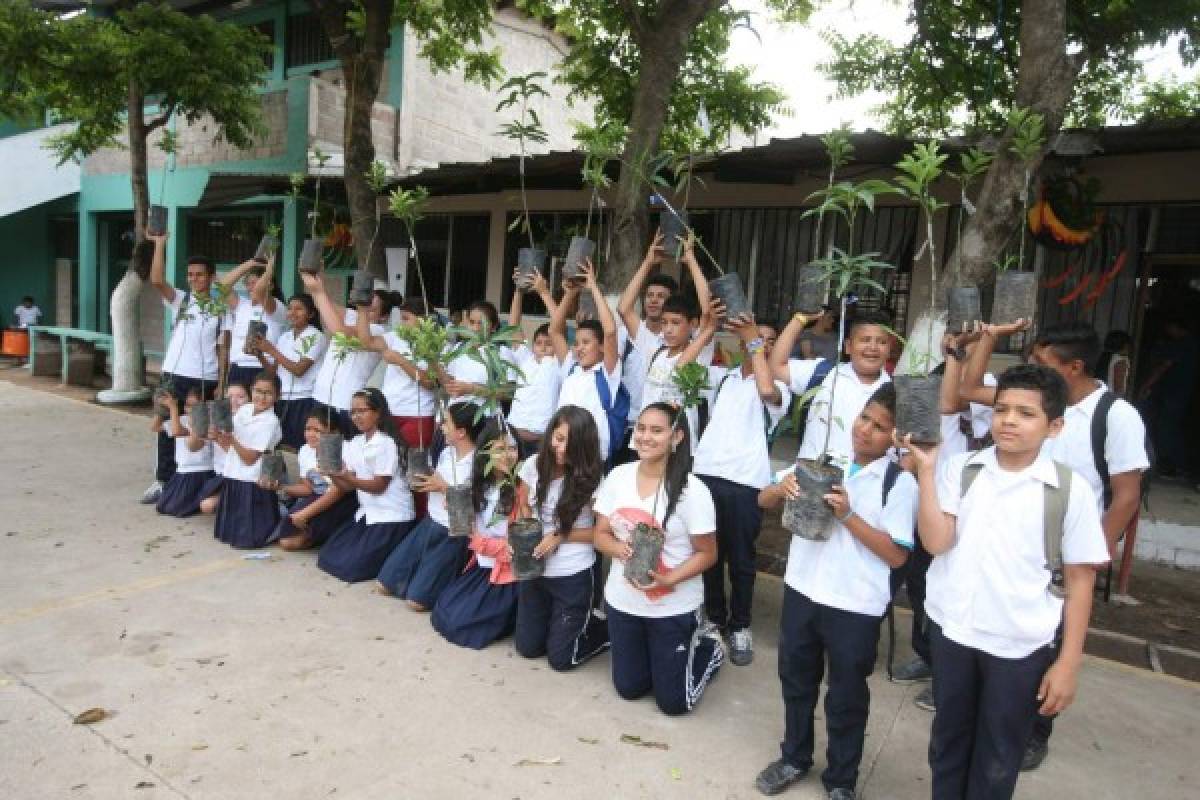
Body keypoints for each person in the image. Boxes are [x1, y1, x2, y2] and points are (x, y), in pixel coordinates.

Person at [909, 364, 1109, 800]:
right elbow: (937, 542)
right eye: (1001, 410)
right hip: (954, 632)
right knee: (948, 743)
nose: (1009, 421)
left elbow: (1079, 581)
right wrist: (926, 472)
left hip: (1018, 646)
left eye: (1026, 413)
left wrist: (1068, 663)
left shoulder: (1069, 491)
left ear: (1054, 426)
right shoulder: (963, 469)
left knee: (998, 757)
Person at [753, 383, 915, 800]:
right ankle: (794, 756)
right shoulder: (824, 461)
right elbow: (764, 498)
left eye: (881, 427)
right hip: (803, 589)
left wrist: (848, 515)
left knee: (846, 695)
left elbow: (897, 555)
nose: (866, 430)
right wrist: (782, 487)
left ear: (895, 437)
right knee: (796, 680)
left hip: (854, 604)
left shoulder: (899, 483)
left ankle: (841, 779)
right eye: (865, 418)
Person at [592, 402, 724, 716]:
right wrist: (617, 550)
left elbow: (709, 553)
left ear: (676, 436)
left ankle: (709, 647)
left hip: (672, 606)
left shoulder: (693, 492)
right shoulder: (618, 477)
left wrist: (670, 578)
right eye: (641, 428)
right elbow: (600, 534)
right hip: (623, 602)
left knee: (673, 704)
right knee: (629, 689)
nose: (645, 437)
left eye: (656, 430)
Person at [694, 313, 791, 666]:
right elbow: (679, 374)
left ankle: (740, 625)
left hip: (745, 482)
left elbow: (767, 390)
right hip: (706, 475)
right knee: (708, 555)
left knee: (742, 560)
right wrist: (708, 326)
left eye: (767, 339)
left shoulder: (782, 388)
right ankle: (715, 619)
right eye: (754, 337)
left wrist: (753, 337)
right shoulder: (725, 379)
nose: (759, 343)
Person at [513, 406, 610, 670]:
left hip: (573, 573)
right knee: (528, 648)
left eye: (572, 443)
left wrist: (560, 536)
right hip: (537, 571)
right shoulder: (534, 464)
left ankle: (603, 627)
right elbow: (522, 508)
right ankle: (567, 624)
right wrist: (522, 539)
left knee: (561, 659)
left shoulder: (592, 477)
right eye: (558, 438)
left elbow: (601, 534)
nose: (562, 448)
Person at [376, 402, 485, 610]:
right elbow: (434, 482)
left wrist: (444, 488)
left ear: (461, 432)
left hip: (452, 532)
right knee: (384, 585)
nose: (441, 426)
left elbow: (474, 506)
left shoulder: (477, 463)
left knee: (416, 602)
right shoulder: (447, 453)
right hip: (430, 522)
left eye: (447, 423)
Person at [143, 232, 222, 504]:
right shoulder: (181, 300)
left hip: (204, 377)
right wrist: (159, 243)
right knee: (166, 427)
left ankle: (199, 480)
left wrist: (221, 381)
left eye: (200, 275)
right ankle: (164, 480)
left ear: (211, 277)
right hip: (172, 374)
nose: (194, 279)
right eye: (190, 275)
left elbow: (223, 348)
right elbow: (156, 280)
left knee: (199, 428)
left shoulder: (220, 307)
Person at [431, 420, 521, 649]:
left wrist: (477, 539)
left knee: (462, 625)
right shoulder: (480, 486)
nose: (508, 455)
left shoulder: (521, 491)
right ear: (485, 453)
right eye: (500, 449)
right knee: (445, 610)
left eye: (512, 448)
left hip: (507, 572)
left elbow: (514, 550)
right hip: (483, 565)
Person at [771, 309, 893, 469]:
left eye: (881, 342)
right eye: (865, 340)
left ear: (890, 348)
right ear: (848, 346)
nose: (872, 347)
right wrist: (798, 321)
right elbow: (776, 368)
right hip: (810, 483)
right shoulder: (824, 373)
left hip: (863, 488)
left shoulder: (896, 393)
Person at [317, 388, 416, 582]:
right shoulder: (356, 442)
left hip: (391, 516)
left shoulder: (386, 443)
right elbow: (347, 487)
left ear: (378, 413)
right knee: (328, 557)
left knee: (349, 569)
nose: (356, 416)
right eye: (353, 412)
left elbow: (379, 486)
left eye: (362, 411)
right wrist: (333, 474)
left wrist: (345, 475)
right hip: (369, 514)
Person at [622, 236, 714, 438]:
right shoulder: (656, 350)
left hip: (678, 441)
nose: (669, 330)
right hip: (645, 436)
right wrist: (647, 262)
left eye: (676, 323)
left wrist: (691, 261)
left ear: (693, 325)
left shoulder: (700, 350)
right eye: (665, 323)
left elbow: (707, 310)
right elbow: (624, 309)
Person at [549, 262, 623, 464]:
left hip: (591, 458)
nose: (579, 348)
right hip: (561, 453)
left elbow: (609, 331)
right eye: (576, 343)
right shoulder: (571, 369)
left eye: (586, 342)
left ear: (601, 347)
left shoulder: (607, 373)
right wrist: (570, 294)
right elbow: (554, 331)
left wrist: (593, 287)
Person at [301, 272, 391, 436]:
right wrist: (317, 277)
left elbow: (339, 332)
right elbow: (322, 303)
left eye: (371, 310)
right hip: (320, 395)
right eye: (363, 305)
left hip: (344, 403)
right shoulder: (353, 315)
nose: (363, 311)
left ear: (384, 317)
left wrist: (319, 291)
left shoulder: (379, 332)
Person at [266, 409, 358, 551]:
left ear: (334, 433)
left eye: (318, 430)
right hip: (317, 497)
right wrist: (281, 487)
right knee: (286, 536)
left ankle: (331, 533)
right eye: (308, 429)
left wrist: (305, 514)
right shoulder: (305, 450)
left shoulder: (346, 449)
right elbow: (308, 488)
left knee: (289, 542)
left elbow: (338, 491)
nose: (310, 434)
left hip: (341, 501)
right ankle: (321, 534)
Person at [212, 372, 284, 549]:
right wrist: (217, 436)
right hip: (234, 473)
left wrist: (231, 439)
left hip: (252, 480)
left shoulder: (270, 422)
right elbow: (230, 448)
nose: (262, 397)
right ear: (251, 390)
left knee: (250, 537)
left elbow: (251, 458)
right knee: (233, 534)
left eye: (268, 393)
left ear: (277, 396)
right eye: (258, 391)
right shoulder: (244, 410)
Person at [617, 232, 681, 419]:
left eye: (661, 297)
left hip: (659, 422)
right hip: (626, 421)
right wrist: (648, 262)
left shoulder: (674, 343)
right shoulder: (629, 334)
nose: (653, 301)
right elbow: (624, 308)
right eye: (649, 295)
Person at [257, 293, 327, 450]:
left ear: (311, 314)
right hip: (282, 400)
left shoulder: (316, 336)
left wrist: (272, 350)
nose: (292, 313)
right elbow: (273, 372)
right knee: (279, 447)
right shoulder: (285, 337)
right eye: (290, 309)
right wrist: (260, 354)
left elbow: (299, 370)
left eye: (299, 309)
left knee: (297, 448)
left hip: (303, 400)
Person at [506, 271, 563, 457]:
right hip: (513, 435)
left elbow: (559, 324)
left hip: (542, 441)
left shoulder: (558, 364)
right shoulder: (526, 359)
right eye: (539, 343)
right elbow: (514, 325)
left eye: (549, 343)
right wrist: (518, 291)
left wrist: (544, 292)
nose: (544, 347)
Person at [1137, 314, 1196, 479]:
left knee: (1167, 427)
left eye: (1169, 327)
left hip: (1174, 392)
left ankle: (1174, 465)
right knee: (1169, 426)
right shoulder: (1190, 343)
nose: (1167, 331)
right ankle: (1175, 464)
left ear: (1176, 327)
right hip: (1179, 391)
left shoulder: (1182, 344)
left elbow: (1164, 367)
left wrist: (1146, 385)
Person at [219, 256, 287, 388]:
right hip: (238, 367)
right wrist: (250, 264)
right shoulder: (241, 305)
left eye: (254, 282)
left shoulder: (277, 307)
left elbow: (259, 292)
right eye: (248, 284)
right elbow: (222, 287)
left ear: (270, 285)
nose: (251, 287)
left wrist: (268, 271)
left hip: (263, 368)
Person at [152, 387, 215, 518]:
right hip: (182, 472)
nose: (189, 409)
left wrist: (173, 408)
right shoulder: (183, 419)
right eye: (187, 405)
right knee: (163, 506)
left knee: (175, 509)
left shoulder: (205, 422)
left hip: (199, 472)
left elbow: (176, 431)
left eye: (194, 406)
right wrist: (162, 408)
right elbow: (155, 427)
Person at [194, 382, 250, 516]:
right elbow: (194, 447)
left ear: (250, 400)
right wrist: (197, 425)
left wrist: (219, 439)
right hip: (221, 475)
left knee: (207, 505)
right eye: (229, 396)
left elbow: (243, 458)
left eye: (240, 397)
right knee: (203, 505)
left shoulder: (249, 422)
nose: (234, 401)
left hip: (241, 475)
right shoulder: (217, 418)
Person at [1096, 330, 1132, 398]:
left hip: (1098, 395)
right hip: (1110, 399)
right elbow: (1119, 387)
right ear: (1124, 345)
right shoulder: (1120, 360)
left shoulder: (1101, 356)